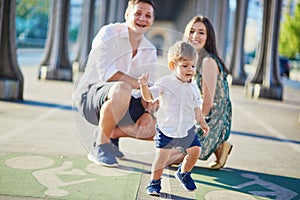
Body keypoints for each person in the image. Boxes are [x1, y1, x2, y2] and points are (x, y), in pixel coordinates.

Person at [72, 0, 157, 167]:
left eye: (148, 15)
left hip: (124, 100)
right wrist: (141, 84)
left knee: (154, 128)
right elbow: (107, 74)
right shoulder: (109, 33)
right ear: (127, 14)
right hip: (91, 97)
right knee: (122, 87)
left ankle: (111, 135)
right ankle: (100, 146)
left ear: (152, 21)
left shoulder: (150, 50)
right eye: (137, 13)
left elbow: (150, 88)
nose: (142, 19)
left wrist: (148, 112)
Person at [138, 41, 210, 196]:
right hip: (167, 129)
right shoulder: (165, 83)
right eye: (184, 66)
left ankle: (183, 173)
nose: (190, 69)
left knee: (196, 150)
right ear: (172, 66)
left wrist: (202, 122)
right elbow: (150, 97)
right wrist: (144, 86)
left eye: (192, 66)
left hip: (186, 128)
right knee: (161, 157)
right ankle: (154, 182)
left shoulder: (193, 87)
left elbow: (196, 107)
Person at [168, 15, 233, 170]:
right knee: (167, 151)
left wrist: (190, 125)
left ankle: (217, 141)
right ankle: (220, 147)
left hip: (213, 118)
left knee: (167, 159)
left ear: (208, 38)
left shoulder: (208, 62)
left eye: (201, 32)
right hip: (204, 114)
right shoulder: (194, 61)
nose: (195, 36)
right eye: (192, 31)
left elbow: (208, 104)